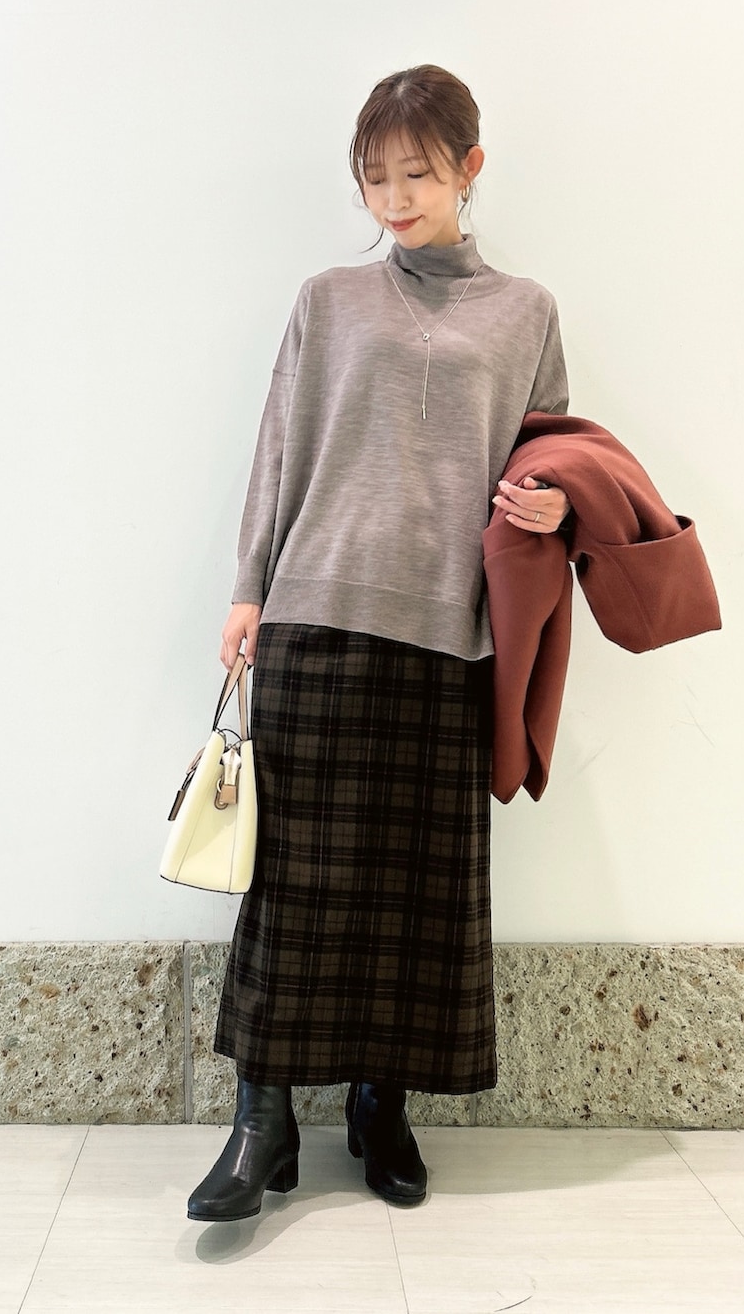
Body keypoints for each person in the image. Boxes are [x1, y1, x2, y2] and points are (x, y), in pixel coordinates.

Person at [187, 64, 571, 1223]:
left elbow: (554, 452)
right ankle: (260, 1121)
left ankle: (378, 1108)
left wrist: (553, 503)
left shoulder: (525, 312)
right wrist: (247, 585)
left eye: (417, 173)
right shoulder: (328, 300)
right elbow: (278, 443)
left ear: (469, 168)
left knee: (413, 893)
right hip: (314, 610)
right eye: (374, 178)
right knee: (289, 884)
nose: (394, 199)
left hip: (446, 633)